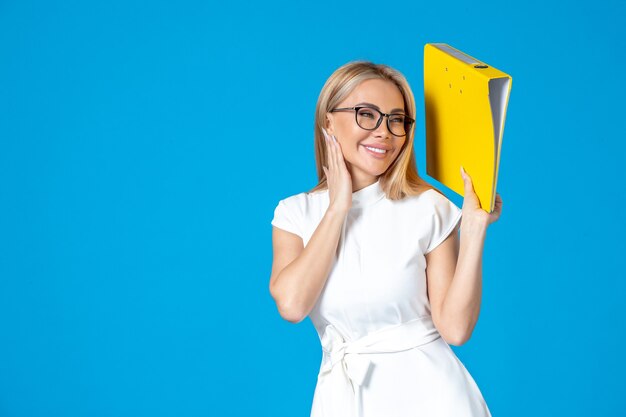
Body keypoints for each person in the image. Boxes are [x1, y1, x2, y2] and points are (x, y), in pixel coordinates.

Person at [269, 60, 503, 417]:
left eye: (397, 120)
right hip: (344, 400)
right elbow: (292, 305)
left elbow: (455, 328)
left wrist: (473, 229)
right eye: (367, 114)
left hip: (434, 399)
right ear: (328, 121)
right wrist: (338, 207)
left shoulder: (429, 208)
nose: (384, 132)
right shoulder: (294, 214)